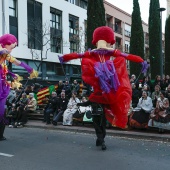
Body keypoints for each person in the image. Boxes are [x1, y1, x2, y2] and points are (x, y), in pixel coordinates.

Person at [59, 26, 147, 129]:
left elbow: (78, 55)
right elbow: (127, 56)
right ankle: (100, 103)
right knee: (109, 73)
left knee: (110, 69)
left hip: (104, 75)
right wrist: (141, 61)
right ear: (108, 40)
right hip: (104, 75)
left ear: (96, 41)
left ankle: (99, 103)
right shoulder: (109, 51)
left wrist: (65, 58)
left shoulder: (95, 52)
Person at [0, 34, 38, 140]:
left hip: (2, 84)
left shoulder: (5, 57)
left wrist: (29, 69)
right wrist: (3, 51)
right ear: (5, 44)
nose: (11, 51)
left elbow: (16, 62)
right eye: (11, 47)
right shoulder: (2, 51)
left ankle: (0, 134)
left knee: (2, 111)